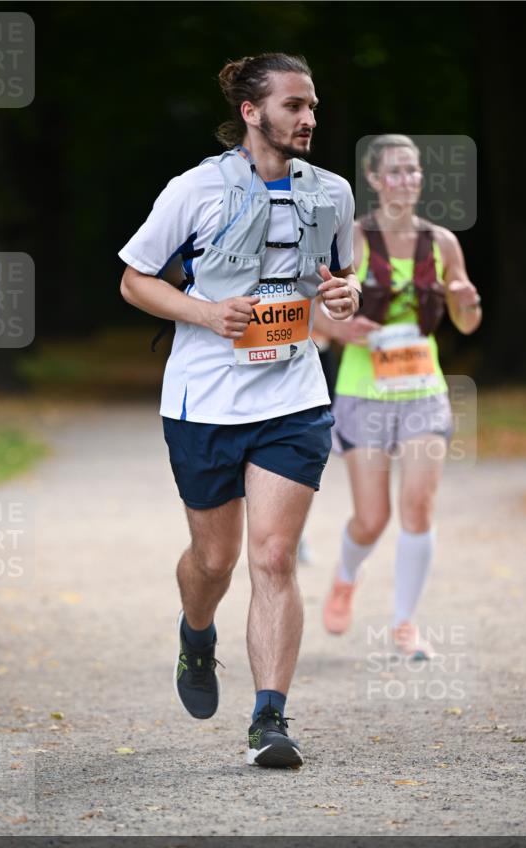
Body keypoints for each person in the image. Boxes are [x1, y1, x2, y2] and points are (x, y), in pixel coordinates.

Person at [119, 53, 360, 768]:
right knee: (215, 559)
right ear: (251, 112)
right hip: (205, 399)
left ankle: (270, 720)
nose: (308, 118)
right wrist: (202, 311)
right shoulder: (192, 190)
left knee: (274, 556)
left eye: (312, 105)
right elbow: (134, 280)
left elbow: (334, 282)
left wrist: (342, 301)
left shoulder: (333, 194)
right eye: (293, 106)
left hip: (293, 396)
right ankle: (198, 634)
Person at [318, 134, 481, 657]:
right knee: (373, 518)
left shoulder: (443, 243)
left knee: (418, 505)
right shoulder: (355, 239)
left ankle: (405, 624)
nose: (406, 180)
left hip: (423, 391)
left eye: (413, 171)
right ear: (373, 179)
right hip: (364, 392)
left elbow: (467, 322)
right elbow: (319, 315)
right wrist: (345, 330)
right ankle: (345, 575)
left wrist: (465, 302)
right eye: (394, 172)